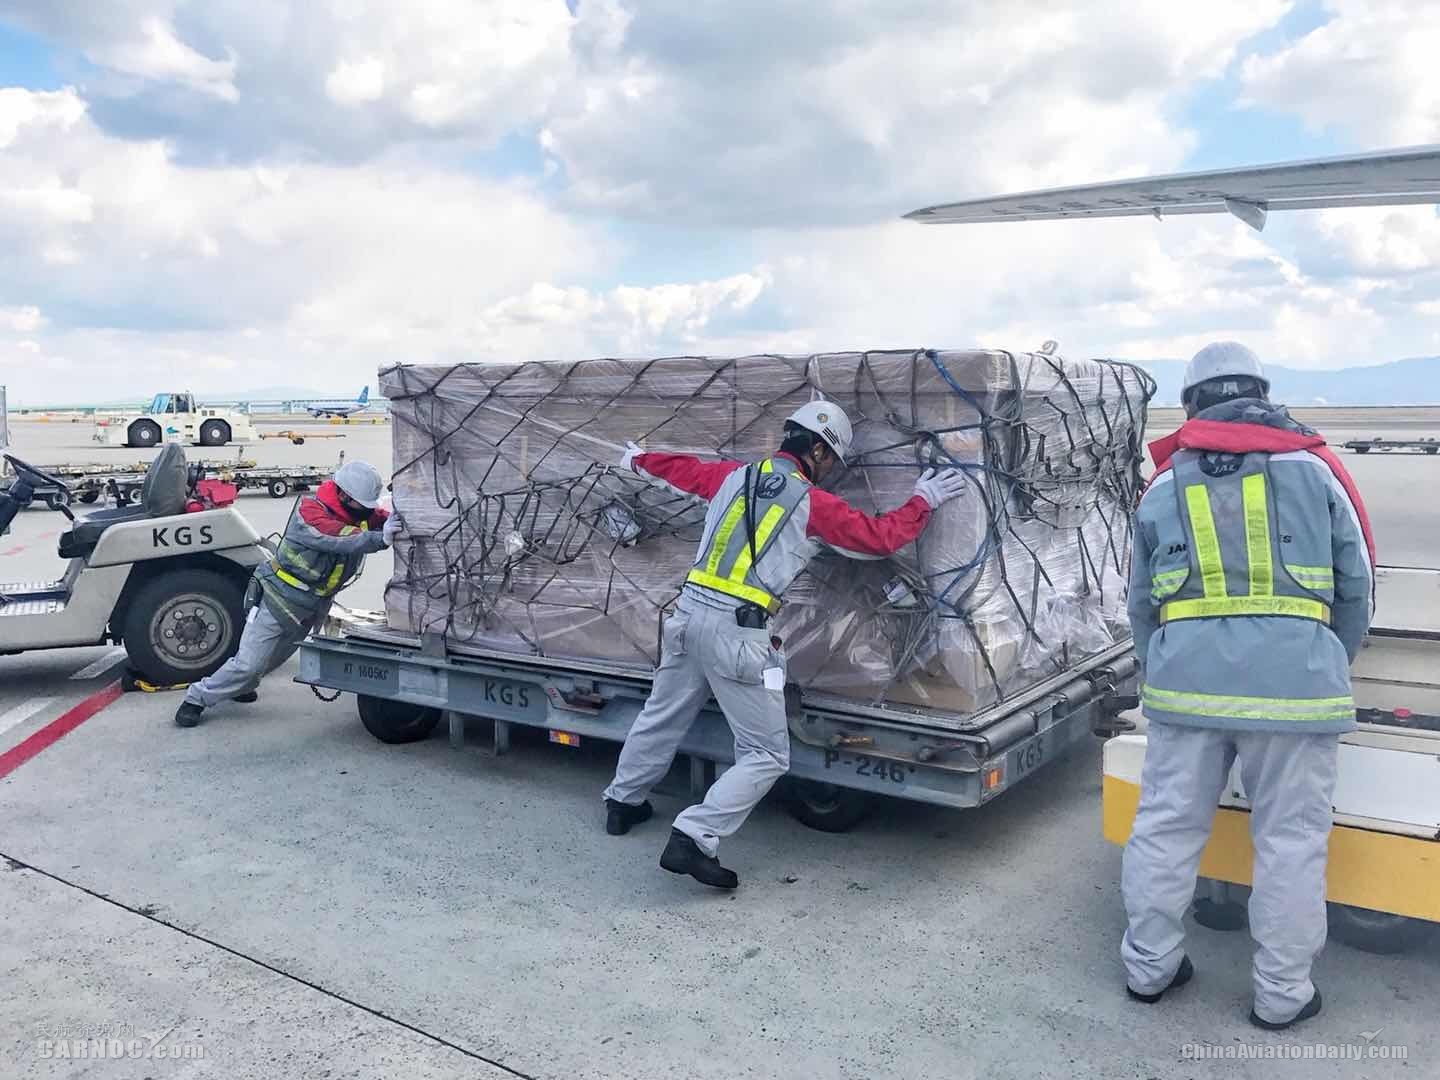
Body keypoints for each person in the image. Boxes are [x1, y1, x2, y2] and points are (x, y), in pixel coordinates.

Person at [602, 401, 967, 888]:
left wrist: (637, 460)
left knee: (662, 713)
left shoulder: (736, 476)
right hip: (737, 633)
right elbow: (878, 539)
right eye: (833, 460)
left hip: (686, 617)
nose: (833, 472)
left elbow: (686, 472)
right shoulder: (811, 502)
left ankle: (622, 804)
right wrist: (923, 499)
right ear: (817, 449)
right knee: (766, 754)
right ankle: (695, 834)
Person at [1121, 342, 1375, 1030]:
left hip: (1184, 693)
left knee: (1165, 831)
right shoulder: (1315, 466)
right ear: (1262, 390)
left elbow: (1140, 600)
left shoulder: (1164, 484)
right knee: (1290, 844)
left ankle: (1149, 969)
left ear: (1193, 402)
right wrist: (1322, 659)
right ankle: (1282, 995)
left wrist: (1163, 668)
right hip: (1298, 690)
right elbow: (1359, 583)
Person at [174, 460, 403, 728]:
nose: (367, 510)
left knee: (272, 659)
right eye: (362, 504)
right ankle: (196, 698)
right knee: (248, 665)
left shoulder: (358, 512)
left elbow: (379, 521)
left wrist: (398, 516)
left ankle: (238, 686)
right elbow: (336, 537)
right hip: (277, 598)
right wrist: (380, 538)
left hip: (310, 605)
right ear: (343, 495)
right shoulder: (309, 513)